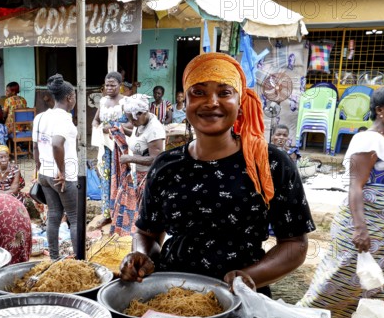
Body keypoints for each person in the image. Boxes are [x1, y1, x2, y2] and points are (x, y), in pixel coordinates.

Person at [119, 53, 315, 295]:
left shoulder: (270, 163)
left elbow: (295, 244)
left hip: (240, 299)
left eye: (224, 92)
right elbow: (146, 232)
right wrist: (141, 255)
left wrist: (249, 277)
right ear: (186, 101)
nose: (211, 102)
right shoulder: (165, 166)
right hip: (170, 294)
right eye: (198, 92)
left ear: (240, 101)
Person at [298, 85, 384, 318]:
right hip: (360, 228)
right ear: (380, 110)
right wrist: (360, 228)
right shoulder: (367, 140)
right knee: (340, 278)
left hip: (381, 231)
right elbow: (355, 185)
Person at [33, 73, 78, 260]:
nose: (75, 99)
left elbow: (35, 146)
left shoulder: (41, 117)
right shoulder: (64, 119)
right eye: (74, 95)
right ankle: (79, 260)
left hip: (44, 174)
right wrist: (62, 171)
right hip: (62, 176)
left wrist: (39, 168)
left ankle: (53, 257)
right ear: (69, 97)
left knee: (53, 215)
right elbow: (57, 144)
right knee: (75, 219)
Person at [111, 94, 165, 236]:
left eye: (131, 118)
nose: (131, 122)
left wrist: (130, 158)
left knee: (147, 214)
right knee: (141, 212)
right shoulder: (140, 123)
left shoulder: (154, 129)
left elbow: (156, 158)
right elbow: (137, 138)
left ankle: (146, 242)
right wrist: (120, 131)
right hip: (139, 175)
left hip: (150, 177)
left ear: (141, 113)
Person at [91, 71, 129, 229]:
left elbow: (131, 124)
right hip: (106, 148)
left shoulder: (126, 102)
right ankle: (107, 215)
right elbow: (96, 120)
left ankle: (121, 215)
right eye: (107, 85)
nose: (110, 88)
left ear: (120, 85)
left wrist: (113, 128)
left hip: (120, 147)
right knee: (106, 180)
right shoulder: (103, 101)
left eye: (113, 85)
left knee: (121, 179)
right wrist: (97, 128)